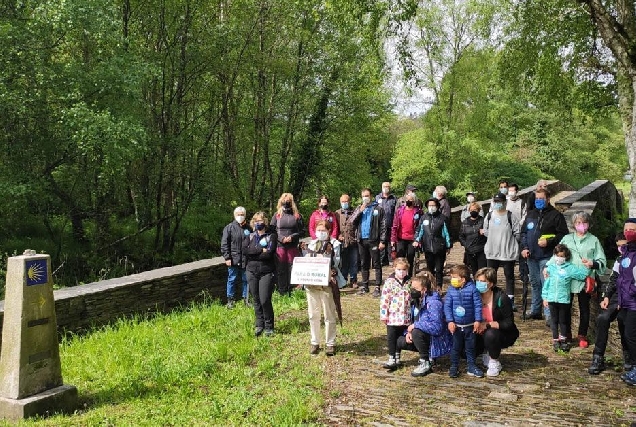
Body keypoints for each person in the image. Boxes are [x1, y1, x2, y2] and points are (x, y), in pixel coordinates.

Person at [559, 211, 606, 348]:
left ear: (589, 224)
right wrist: (549, 268)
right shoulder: (567, 239)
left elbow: (601, 259)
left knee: (584, 308)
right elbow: (557, 255)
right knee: (565, 307)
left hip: (585, 280)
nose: (581, 225)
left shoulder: (594, 240)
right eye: (578, 222)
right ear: (574, 224)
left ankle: (582, 335)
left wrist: (593, 263)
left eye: (584, 222)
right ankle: (566, 334)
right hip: (567, 278)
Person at [521, 188, 569, 322]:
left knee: (547, 284)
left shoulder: (555, 215)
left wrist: (549, 242)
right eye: (537, 199)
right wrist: (524, 247)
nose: (538, 201)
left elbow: (563, 235)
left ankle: (549, 315)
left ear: (548, 199)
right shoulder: (531, 214)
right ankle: (536, 310)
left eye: (541, 199)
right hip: (531, 256)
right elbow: (523, 233)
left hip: (547, 256)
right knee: (535, 283)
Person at [589, 233, 631, 375]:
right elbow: (613, 279)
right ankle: (598, 357)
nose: (621, 248)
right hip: (616, 296)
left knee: (623, 320)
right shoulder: (619, 260)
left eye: (623, 245)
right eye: (618, 246)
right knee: (602, 318)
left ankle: (628, 356)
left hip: (630, 297)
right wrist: (606, 296)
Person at [397, 271, 450, 377]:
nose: (412, 291)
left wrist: (415, 326)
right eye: (412, 287)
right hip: (419, 336)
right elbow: (412, 320)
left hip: (435, 340)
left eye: (415, 289)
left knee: (416, 332)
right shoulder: (415, 301)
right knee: (398, 339)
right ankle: (395, 358)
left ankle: (426, 361)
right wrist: (408, 332)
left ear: (424, 289)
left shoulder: (434, 303)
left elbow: (437, 328)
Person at [302, 220, 342, 356]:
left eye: (323, 230)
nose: (321, 232)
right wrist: (301, 249)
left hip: (327, 284)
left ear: (329, 231)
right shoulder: (310, 243)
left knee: (329, 313)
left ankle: (330, 343)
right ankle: (315, 342)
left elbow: (338, 263)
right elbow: (304, 262)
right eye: (318, 230)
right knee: (313, 314)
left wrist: (329, 254)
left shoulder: (335, 244)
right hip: (312, 283)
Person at [542, 244, 590, 352]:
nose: (559, 258)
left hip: (564, 299)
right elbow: (547, 284)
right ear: (554, 256)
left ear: (566, 257)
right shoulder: (551, 268)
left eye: (562, 256)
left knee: (563, 321)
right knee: (554, 321)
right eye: (557, 255)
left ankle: (563, 340)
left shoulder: (570, 268)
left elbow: (581, 275)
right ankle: (555, 340)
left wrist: (587, 266)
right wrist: (545, 297)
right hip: (552, 299)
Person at [474, 267, 520, 377]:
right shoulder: (474, 295)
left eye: (483, 281)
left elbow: (509, 323)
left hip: (499, 332)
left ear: (491, 284)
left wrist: (489, 324)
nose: (479, 284)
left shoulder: (502, 298)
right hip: (478, 331)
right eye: (478, 281)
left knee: (491, 334)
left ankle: (494, 360)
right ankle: (484, 352)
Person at [444, 264, 483, 378]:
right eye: (451, 277)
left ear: (463, 279)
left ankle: (471, 366)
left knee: (470, 347)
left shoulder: (473, 289)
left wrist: (478, 320)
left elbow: (478, 305)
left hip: (469, 325)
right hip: (456, 325)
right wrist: (450, 321)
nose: (452, 280)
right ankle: (454, 366)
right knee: (455, 347)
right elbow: (447, 306)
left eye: (454, 277)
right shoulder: (451, 290)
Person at [348, 188, 388, 296]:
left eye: (367, 195)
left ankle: (377, 287)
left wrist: (383, 241)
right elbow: (352, 222)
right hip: (361, 240)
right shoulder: (359, 208)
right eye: (363, 196)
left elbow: (384, 226)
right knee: (364, 264)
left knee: (376, 264)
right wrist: (360, 211)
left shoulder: (378, 209)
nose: (365, 198)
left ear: (371, 196)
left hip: (374, 240)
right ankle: (365, 286)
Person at [243, 212, 277, 337]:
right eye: (256, 221)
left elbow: (269, 254)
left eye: (261, 221)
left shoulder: (271, 236)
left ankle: (269, 326)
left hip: (266, 272)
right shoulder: (251, 236)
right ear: (253, 223)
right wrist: (259, 250)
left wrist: (254, 253)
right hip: (251, 271)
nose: (259, 223)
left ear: (265, 222)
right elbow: (245, 250)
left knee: (264, 299)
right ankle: (259, 324)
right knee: (256, 299)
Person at [484, 192, 521, 308]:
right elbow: (485, 231)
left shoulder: (511, 216)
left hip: (507, 253)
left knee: (509, 276)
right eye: (496, 202)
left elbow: (517, 233)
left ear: (505, 202)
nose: (498, 204)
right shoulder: (489, 216)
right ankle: (490, 299)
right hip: (492, 252)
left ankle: (510, 300)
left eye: (500, 202)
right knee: (490, 276)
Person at [380, 258, 412, 371]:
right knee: (391, 337)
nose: (401, 272)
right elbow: (385, 299)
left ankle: (398, 356)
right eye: (399, 269)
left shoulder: (409, 281)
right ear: (394, 268)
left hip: (405, 315)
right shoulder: (390, 281)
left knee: (400, 337)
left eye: (404, 270)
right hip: (393, 315)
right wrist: (384, 314)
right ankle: (391, 357)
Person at [615, 219, 636, 385]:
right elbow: (620, 276)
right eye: (626, 229)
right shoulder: (626, 251)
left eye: (633, 229)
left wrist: (631, 291)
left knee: (631, 335)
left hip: (634, 302)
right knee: (625, 334)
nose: (629, 232)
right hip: (625, 301)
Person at [415, 198, 451, 291]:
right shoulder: (423, 218)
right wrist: (417, 240)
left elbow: (447, 233)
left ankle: (439, 286)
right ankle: (430, 286)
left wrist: (448, 245)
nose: (431, 207)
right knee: (430, 269)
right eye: (429, 205)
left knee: (439, 269)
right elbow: (420, 231)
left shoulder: (442, 218)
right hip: (427, 247)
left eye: (433, 205)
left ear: (437, 206)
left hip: (440, 247)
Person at [271, 193, 304, 295]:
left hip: (292, 246)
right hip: (280, 246)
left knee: (292, 268)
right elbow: (272, 230)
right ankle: (282, 290)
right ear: (281, 201)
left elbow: (303, 231)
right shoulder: (277, 215)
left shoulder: (297, 215)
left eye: (289, 200)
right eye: (285, 200)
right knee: (281, 268)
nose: (287, 202)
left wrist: (292, 237)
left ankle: (292, 289)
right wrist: (281, 238)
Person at [221, 206, 252, 308]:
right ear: (234, 216)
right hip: (233, 259)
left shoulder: (249, 228)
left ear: (245, 216)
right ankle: (230, 300)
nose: (240, 216)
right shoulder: (229, 228)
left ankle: (246, 299)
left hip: (246, 260)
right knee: (232, 279)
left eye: (242, 215)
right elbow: (224, 244)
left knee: (246, 279)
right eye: (238, 215)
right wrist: (227, 257)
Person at [390, 192, 422, 277]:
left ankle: (409, 277)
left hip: (412, 239)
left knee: (410, 259)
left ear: (414, 201)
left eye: (410, 200)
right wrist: (393, 239)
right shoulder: (400, 211)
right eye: (407, 200)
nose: (408, 201)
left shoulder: (418, 212)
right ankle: (399, 276)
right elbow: (394, 225)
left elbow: (420, 226)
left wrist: (418, 239)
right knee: (400, 259)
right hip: (401, 238)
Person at [335, 193, 358, 288]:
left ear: (349, 201)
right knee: (343, 262)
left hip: (353, 241)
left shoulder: (354, 212)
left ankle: (353, 280)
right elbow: (335, 227)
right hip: (342, 241)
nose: (344, 203)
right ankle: (343, 279)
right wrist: (338, 236)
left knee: (354, 261)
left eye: (346, 201)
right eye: (343, 201)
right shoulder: (336, 213)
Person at [459, 202, 487, 276]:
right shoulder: (465, 223)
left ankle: (482, 287)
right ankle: (475, 286)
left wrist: (485, 232)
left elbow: (489, 233)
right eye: (471, 210)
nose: (473, 211)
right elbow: (461, 236)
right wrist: (466, 245)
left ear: (478, 210)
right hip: (470, 251)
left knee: (482, 271)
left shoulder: (483, 221)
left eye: (475, 209)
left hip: (481, 250)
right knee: (474, 272)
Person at [376, 182, 398, 266]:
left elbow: (396, 212)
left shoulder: (394, 198)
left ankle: (390, 260)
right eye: (384, 186)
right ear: (381, 187)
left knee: (390, 243)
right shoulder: (377, 197)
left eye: (387, 187)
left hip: (390, 224)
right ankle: (381, 260)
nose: (386, 188)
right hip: (380, 225)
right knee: (381, 241)